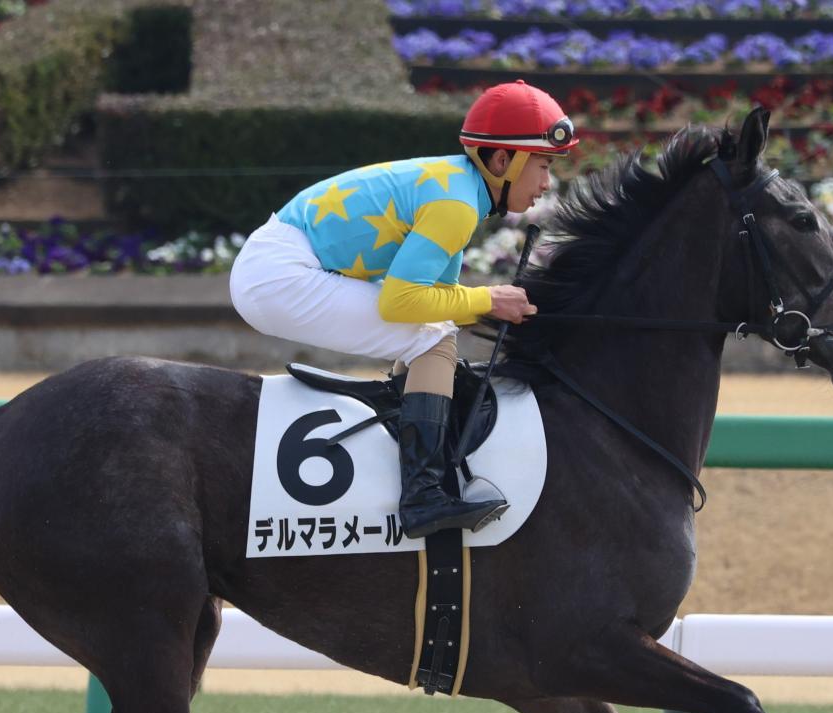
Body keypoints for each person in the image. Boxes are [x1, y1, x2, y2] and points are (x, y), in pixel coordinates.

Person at [230, 80, 578, 539]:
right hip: (278, 276)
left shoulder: (459, 187)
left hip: (273, 265)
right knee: (431, 337)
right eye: (544, 165)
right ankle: (422, 496)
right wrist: (488, 299)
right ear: (501, 161)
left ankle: (410, 437)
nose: (546, 184)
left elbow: (438, 296)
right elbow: (401, 303)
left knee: (433, 331)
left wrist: (488, 306)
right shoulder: (456, 205)